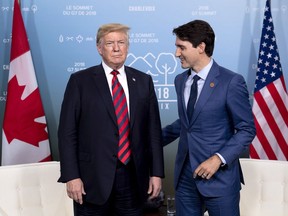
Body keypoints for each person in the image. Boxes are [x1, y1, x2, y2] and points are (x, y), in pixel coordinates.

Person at [58, 23, 164, 216]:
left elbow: (153, 133)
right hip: (91, 181)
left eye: (121, 42)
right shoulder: (80, 81)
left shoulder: (143, 81)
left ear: (127, 47)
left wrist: (156, 173)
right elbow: (67, 133)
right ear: (99, 48)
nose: (116, 48)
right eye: (110, 43)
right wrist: (71, 176)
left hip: (133, 180)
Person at [162, 20, 256, 216]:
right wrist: (148, 140)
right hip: (185, 179)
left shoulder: (231, 82)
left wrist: (218, 159)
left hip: (219, 179)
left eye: (181, 47)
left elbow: (247, 129)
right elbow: (187, 124)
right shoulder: (180, 80)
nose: (176, 54)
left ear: (201, 47)